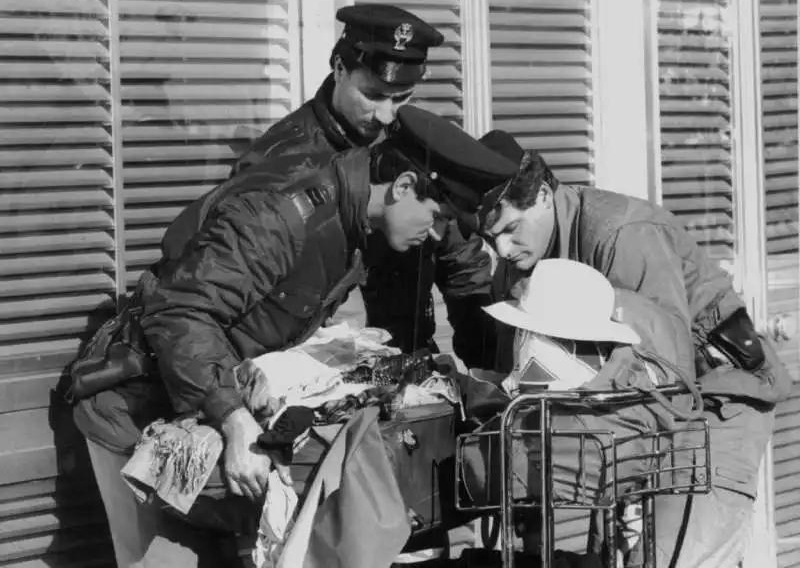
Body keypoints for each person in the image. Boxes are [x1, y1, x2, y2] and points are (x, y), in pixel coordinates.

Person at [72, 106, 518, 568]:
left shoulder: (354, 221)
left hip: (200, 414)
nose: (438, 234)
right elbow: (180, 311)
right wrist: (233, 418)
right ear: (402, 187)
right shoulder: (283, 215)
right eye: (439, 217)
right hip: (135, 410)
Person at [471, 130, 791, 566]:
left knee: (671, 559)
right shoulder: (519, 263)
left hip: (716, 397)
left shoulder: (623, 234)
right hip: (631, 412)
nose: (502, 250)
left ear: (544, 195)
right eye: (491, 240)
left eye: (510, 229)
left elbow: (667, 374)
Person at [230, 3, 498, 368]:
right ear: (340, 68)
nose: (387, 114)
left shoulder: (414, 143)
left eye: (401, 98)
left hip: (408, 364)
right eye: (373, 95)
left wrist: (487, 371)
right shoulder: (278, 164)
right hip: (311, 378)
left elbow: (462, 264)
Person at [463, 258, 704, 566]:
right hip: (623, 459)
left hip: (565, 461)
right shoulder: (625, 360)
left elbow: (523, 389)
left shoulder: (540, 343)